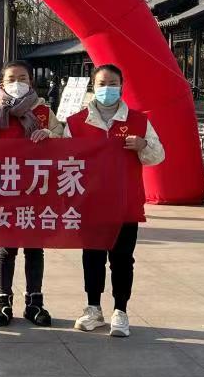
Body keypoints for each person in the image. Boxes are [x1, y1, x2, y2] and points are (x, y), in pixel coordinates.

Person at [65, 64, 165, 338]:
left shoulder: (138, 121)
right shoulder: (76, 123)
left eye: (112, 83)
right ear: (93, 86)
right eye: (102, 83)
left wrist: (144, 145)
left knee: (122, 259)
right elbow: (63, 161)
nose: (107, 89)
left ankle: (120, 310)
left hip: (125, 203)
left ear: (121, 86)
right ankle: (93, 308)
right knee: (92, 257)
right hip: (90, 204)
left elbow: (158, 155)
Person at [0, 61, 58, 327]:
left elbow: (66, 143)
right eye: (11, 78)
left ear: (31, 82)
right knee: (6, 248)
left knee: (35, 248)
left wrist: (49, 135)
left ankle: (34, 302)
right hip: (4, 190)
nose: (17, 82)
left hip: (37, 190)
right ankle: (3, 301)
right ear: (1, 83)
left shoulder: (44, 112)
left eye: (22, 78)